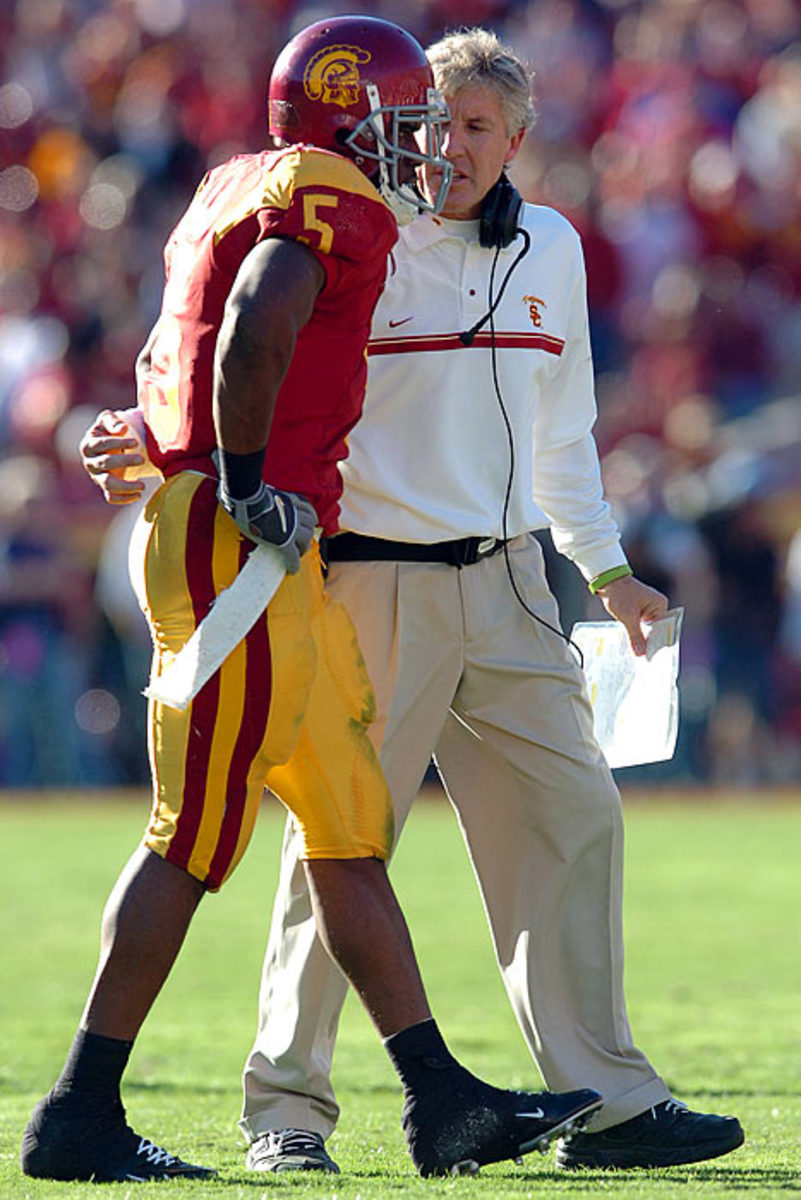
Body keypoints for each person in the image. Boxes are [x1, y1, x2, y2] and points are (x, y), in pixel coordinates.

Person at [79, 25, 744, 1178]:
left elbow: (565, 430)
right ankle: (289, 1109)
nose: (446, 144)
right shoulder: (358, 228)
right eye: (432, 119)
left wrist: (604, 565)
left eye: (476, 124)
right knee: (338, 849)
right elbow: (245, 352)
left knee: (574, 818)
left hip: (509, 579)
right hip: (367, 574)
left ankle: (608, 1100)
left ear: (520, 138)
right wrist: (159, 437)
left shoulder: (555, 246)